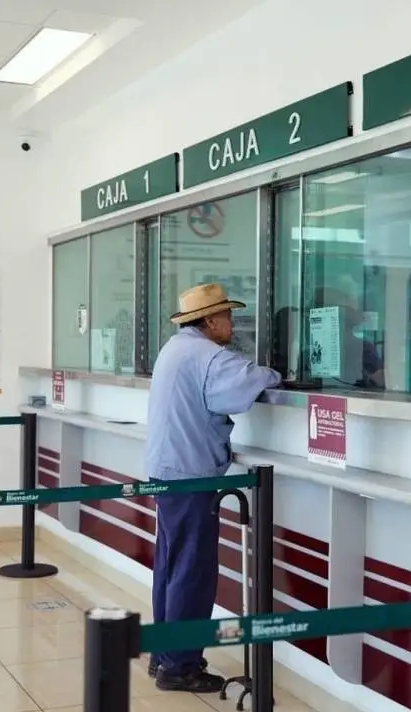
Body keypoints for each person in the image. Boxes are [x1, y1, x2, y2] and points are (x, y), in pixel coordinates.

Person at [145, 283, 281, 693]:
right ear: (209, 320)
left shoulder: (175, 349)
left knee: (170, 566)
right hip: (190, 475)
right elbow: (250, 383)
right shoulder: (208, 355)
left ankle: (164, 655)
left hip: (168, 470)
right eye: (227, 316)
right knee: (192, 570)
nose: (232, 323)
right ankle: (180, 666)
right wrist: (276, 372)